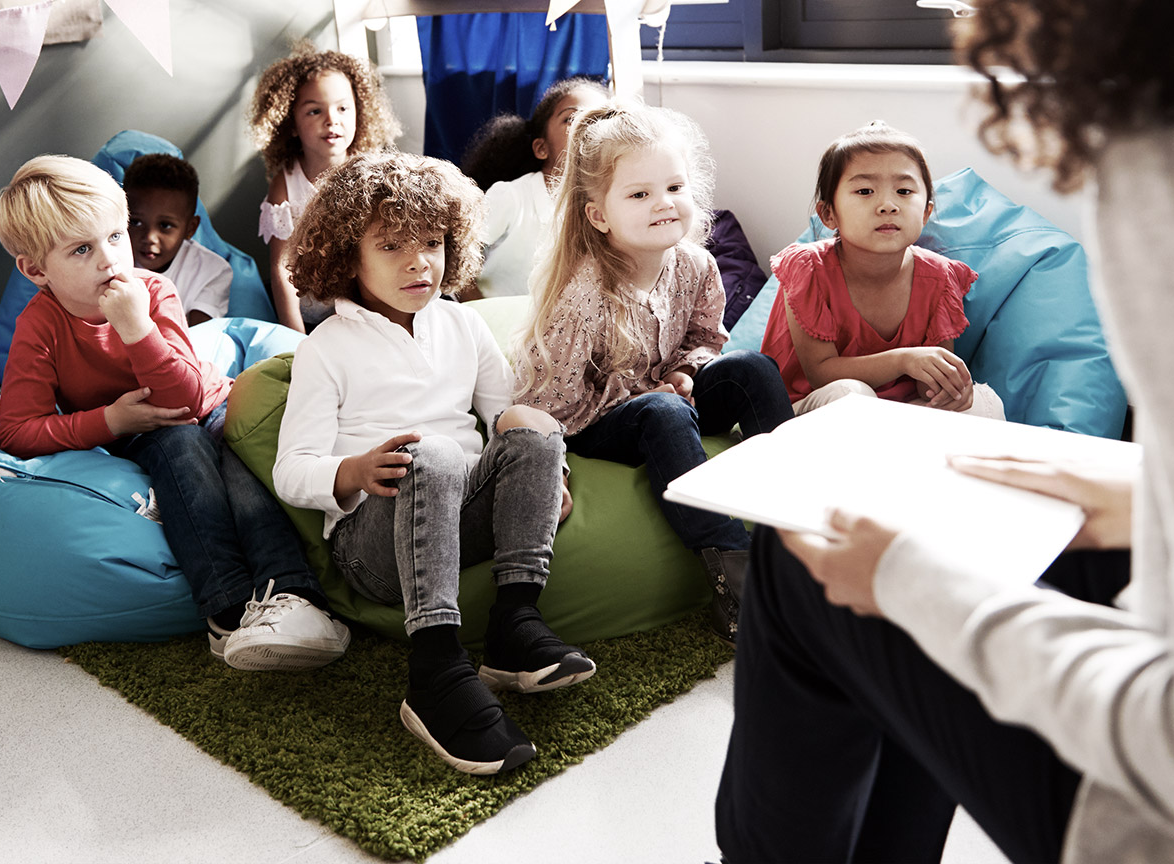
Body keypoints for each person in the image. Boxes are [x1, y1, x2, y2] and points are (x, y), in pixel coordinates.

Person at [715, 3, 1174, 863]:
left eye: (903, 189)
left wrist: (922, 589)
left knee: (807, 554)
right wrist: (1161, 502)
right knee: (954, 523)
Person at [273, 152, 592, 776]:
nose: (419, 260)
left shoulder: (462, 324)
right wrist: (354, 471)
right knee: (434, 453)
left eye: (432, 241)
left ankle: (513, 625)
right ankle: (436, 669)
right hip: (379, 549)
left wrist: (549, 476)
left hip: (464, 516)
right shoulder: (326, 348)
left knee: (533, 424)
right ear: (347, 255)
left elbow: (506, 417)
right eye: (391, 245)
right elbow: (291, 469)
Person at [0, 155, 349, 673]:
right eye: (82, 249)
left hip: (205, 404)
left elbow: (187, 396)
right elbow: (16, 431)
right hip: (143, 431)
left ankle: (294, 595)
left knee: (239, 452)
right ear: (35, 269)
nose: (110, 260)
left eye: (116, 236)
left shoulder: (154, 292)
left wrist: (137, 329)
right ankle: (227, 607)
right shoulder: (40, 327)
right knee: (179, 445)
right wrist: (110, 422)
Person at [513, 104, 795, 645]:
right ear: (600, 215)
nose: (664, 203)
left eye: (674, 186)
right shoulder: (586, 291)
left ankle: (798, 525)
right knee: (660, 412)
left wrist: (689, 373)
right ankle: (735, 575)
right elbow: (550, 401)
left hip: (669, 396)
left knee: (752, 369)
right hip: (593, 421)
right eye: (639, 195)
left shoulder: (695, 265)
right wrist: (553, 468)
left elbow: (706, 339)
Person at [760, 122, 1004, 419]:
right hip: (809, 406)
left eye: (903, 191)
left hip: (899, 412)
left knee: (985, 402)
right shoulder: (808, 269)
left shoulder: (940, 278)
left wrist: (947, 388)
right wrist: (904, 360)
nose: (887, 205)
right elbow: (821, 374)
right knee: (851, 394)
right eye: (865, 191)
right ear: (828, 214)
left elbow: (930, 387)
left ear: (926, 212)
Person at [247, 41, 402, 333]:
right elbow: (281, 269)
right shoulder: (287, 182)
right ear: (291, 123)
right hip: (309, 312)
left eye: (343, 108)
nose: (332, 120)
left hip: (366, 306)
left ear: (360, 113)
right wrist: (295, 338)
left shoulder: (370, 172)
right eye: (314, 111)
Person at [459, 77, 611, 301]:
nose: (588, 126)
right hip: (499, 322)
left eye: (600, 119)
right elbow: (457, 256)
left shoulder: (613, 204)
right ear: (541, 148)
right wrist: (480, 311)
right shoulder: (512, 197)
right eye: (572, 118)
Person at [123, 153, 232, 326]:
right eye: (136, 222)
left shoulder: (213, 271)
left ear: (190, 228)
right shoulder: (111, 262)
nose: (149, 237)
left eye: (165, 225)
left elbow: (198, 339)